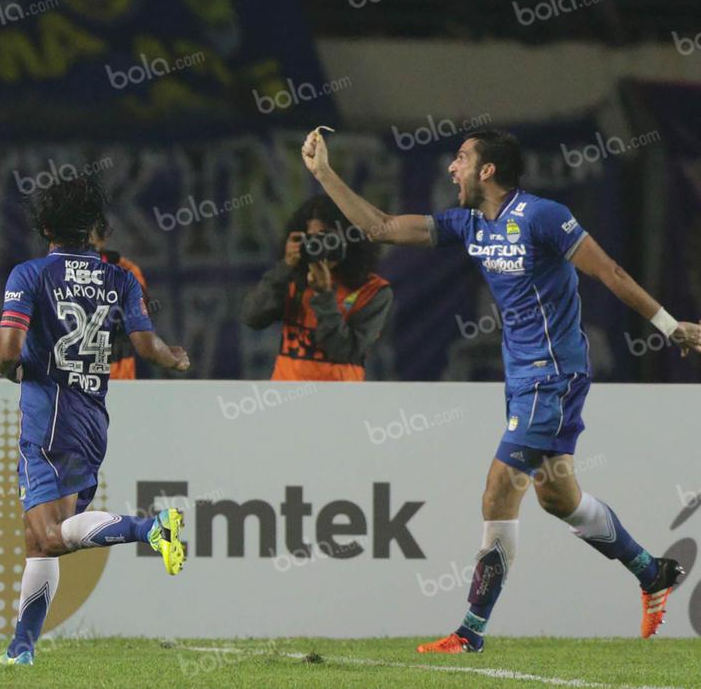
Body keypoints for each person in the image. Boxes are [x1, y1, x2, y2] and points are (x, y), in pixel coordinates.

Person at [301, 127, 701, 653]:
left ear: (487, 170)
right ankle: (652, 572)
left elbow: (609, 271)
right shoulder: (468, 224)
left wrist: (670, 326)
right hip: (523, 379)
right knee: (558, 497)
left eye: (461, 159)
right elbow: (381, 227)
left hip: (553, 374)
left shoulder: (543, 215)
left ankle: (470, 632)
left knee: (498, 490)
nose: (452, 168)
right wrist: (324, 173)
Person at [0, 174, 190, 666]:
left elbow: (7, 353)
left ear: (45, 227)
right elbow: (146, 346)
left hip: (49, 418)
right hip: (92, 417)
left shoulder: (30, 274)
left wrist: (13, 371)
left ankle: (150, 528)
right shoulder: (120, 278)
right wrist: (175, 357)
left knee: (50, 533)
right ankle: (21, 649)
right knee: (40, 542)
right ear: (93, 228)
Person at [241, 195, 391, 380]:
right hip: (284, 393)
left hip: (340, 395)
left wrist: (323, 295)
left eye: (329, 239)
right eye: (313, 239)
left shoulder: (372, 290)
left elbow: (345, 352)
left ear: (352, 240)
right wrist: (285, 267)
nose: (321, 247)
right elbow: (253, 318)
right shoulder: (293, 278)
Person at [90, 224, 151, 379]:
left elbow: (139, 311)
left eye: (89, 239)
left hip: (119, 372)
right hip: (74, 373)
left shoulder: (127, 270)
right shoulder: (58, 270)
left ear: (102, 240)